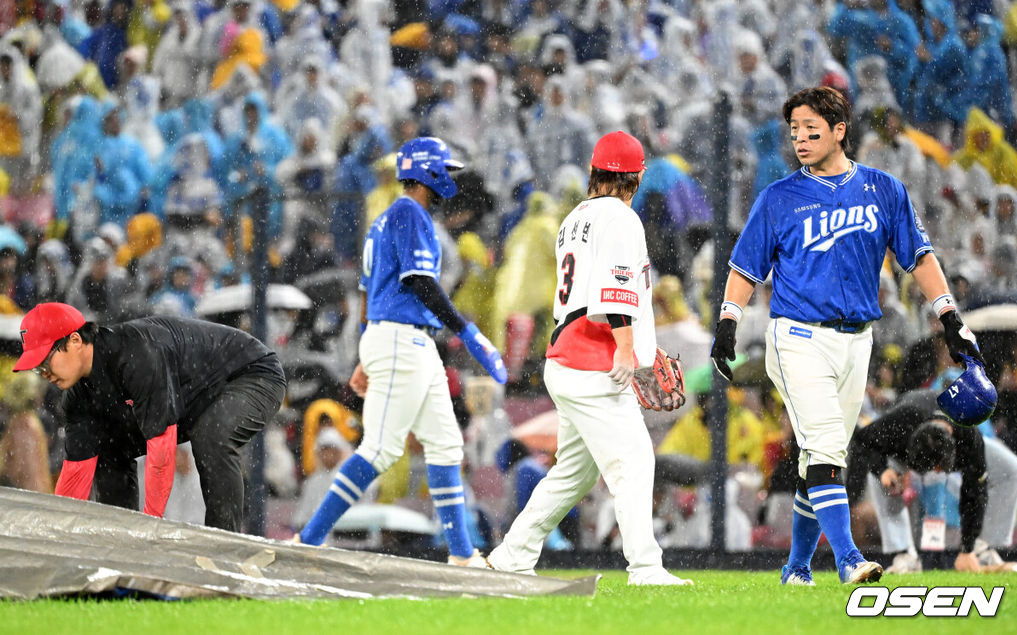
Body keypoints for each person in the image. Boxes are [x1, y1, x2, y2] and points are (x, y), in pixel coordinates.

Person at [710, 87, 985, 585]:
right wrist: (729, 321)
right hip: (797, 336)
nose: (800, 138)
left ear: (840, 131)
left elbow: (919, 257)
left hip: (858, 340)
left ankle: (796, 568)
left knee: (821, 454)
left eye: (811, 129)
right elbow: (744, 268)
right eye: (794, 130)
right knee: (826, 447)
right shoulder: (778, 197)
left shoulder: (883, 189)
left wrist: (950, 317)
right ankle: (847, 558)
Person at [487, 131, 692, 586]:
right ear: (635, 177)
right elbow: (615, 288)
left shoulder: (574, 217)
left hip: (567, 355)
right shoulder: (619, 217)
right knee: (635, 460)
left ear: (596, 173)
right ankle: (646, 568)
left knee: (573, 476)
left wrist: (638, 344)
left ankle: (512, 553)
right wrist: (626, 348)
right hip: (593, 358)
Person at [295, 137, 507, 568]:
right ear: (427, 172)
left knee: (446, 446)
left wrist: (361, 354)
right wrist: (468, 332)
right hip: (401, 339)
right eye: (444, 170)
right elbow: (420, 283)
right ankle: (309, 539)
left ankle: (462, 554)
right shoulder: (411, 212)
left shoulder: (385, 218)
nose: (450, 178)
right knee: (380, 449)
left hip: (404, 340)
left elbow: (368, 296)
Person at [14, 302, 287, 532]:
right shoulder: (76, 399)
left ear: (75, 341)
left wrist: (151, 529)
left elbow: (161, 452)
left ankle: (225, 549)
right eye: (37, 369)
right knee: (108, 449)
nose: (44, 373)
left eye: (44, 361)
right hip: (192, 401)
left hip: (252, 374)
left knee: (210, 437)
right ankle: (120, 538)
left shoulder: (137, 354)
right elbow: (75, 476)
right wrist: (59, 535)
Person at [850, 389, 1017, 574]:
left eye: (938, 468)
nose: (934, 473)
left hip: (954, 442)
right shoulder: (901, 420)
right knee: (881, 481)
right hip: (903, 448)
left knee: (1013, 471)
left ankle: (982, 549)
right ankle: (905, 555)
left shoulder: (969, 437)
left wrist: (967, 547)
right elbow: (861, 441)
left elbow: (974, 494)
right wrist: (882, 470)